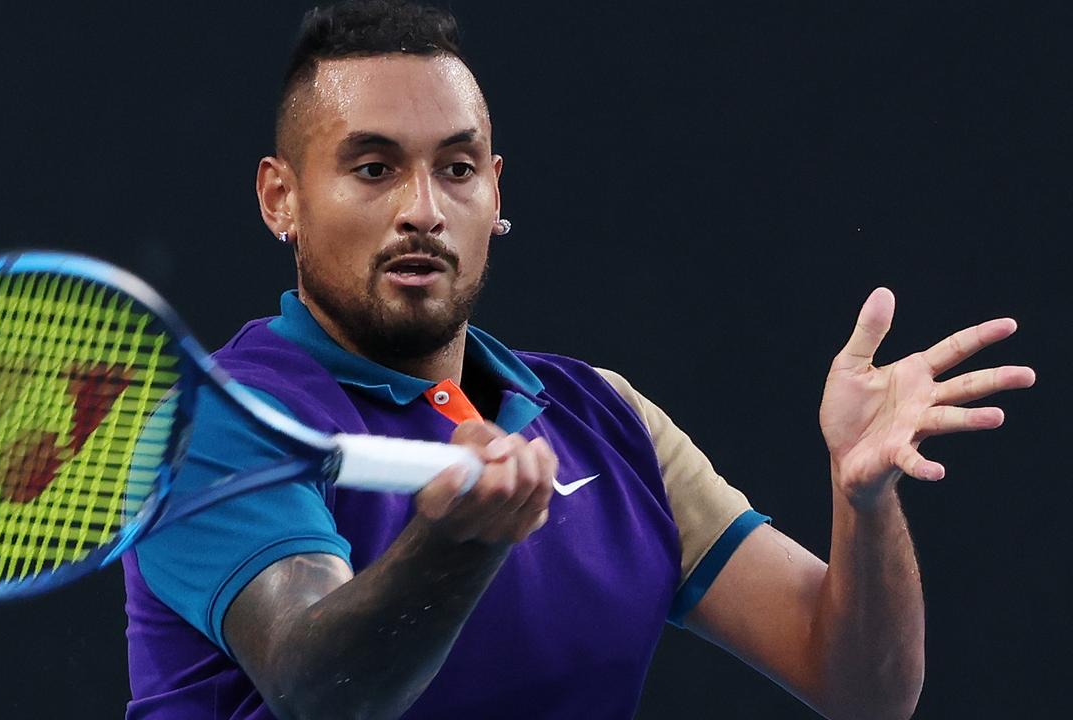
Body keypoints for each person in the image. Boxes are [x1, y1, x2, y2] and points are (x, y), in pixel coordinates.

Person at [122, 2, 1035, 718]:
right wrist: (456, 543)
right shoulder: (218, 424)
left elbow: (862, 690)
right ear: (280, 198)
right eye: (372, 168)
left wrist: (862, 500)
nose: (423, 210)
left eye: (457, 167)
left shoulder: (605, 416)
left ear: (496, 191)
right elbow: (322, 691)